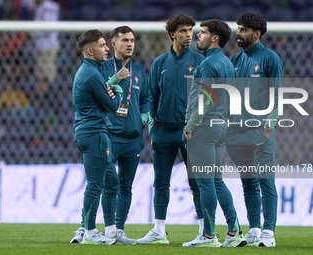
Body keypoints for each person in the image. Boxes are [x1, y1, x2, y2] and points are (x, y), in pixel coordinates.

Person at [70, 26, 150, 245]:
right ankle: (88, 231)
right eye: (103, 45)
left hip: (112, 133)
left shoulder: (134, 71)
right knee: (96, 184)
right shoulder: (96, 72)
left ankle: (113, 230)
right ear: (90, 51)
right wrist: (118, 91)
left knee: (114, 183)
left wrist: (144, 115)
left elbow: (146, 98)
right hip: (98, 132)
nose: (105, 48)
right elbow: (114, 106)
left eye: (132, 39)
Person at [137, 13, 204, 244]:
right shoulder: (159, 63)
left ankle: (205, 231)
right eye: (184, 30)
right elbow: (152, 98)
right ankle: (158, 231)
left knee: (197, 182)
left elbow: (207, 99)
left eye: (190, 30)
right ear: (172, 34)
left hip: (190, 132)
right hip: (163, 132)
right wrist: (153, 130)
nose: (189, 35)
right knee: (161, 182)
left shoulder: (199, 61)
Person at [182, 19, 246, 248]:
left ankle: (208, 235)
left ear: (215, 38)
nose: (198, 35)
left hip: (204, 127)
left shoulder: (208, 64)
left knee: (205, 183)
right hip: (219, 125)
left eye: (203, 32)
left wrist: (190, 126)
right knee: (217, 182)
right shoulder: (227, 63)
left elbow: (204, 98)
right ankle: (234, 231)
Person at [226, 12, 283, 247]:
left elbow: (278, 95)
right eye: (238, 29)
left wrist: (269, 126)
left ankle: (269, 232)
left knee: (265, 181)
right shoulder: (235, 60)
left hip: (260, 131)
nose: (238, 33)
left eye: (243, 30)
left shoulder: (270, 59)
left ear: (256, 33)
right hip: (236, 132)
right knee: (248, 182)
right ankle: (254, 230)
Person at [31, 0, 60, 92]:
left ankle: (47, 94)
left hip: (47, 46)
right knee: (40, 74)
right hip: (41, 45)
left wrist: (34, 33)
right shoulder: (42, 6)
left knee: (46, 76)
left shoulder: (48, 6)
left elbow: (48, 27)